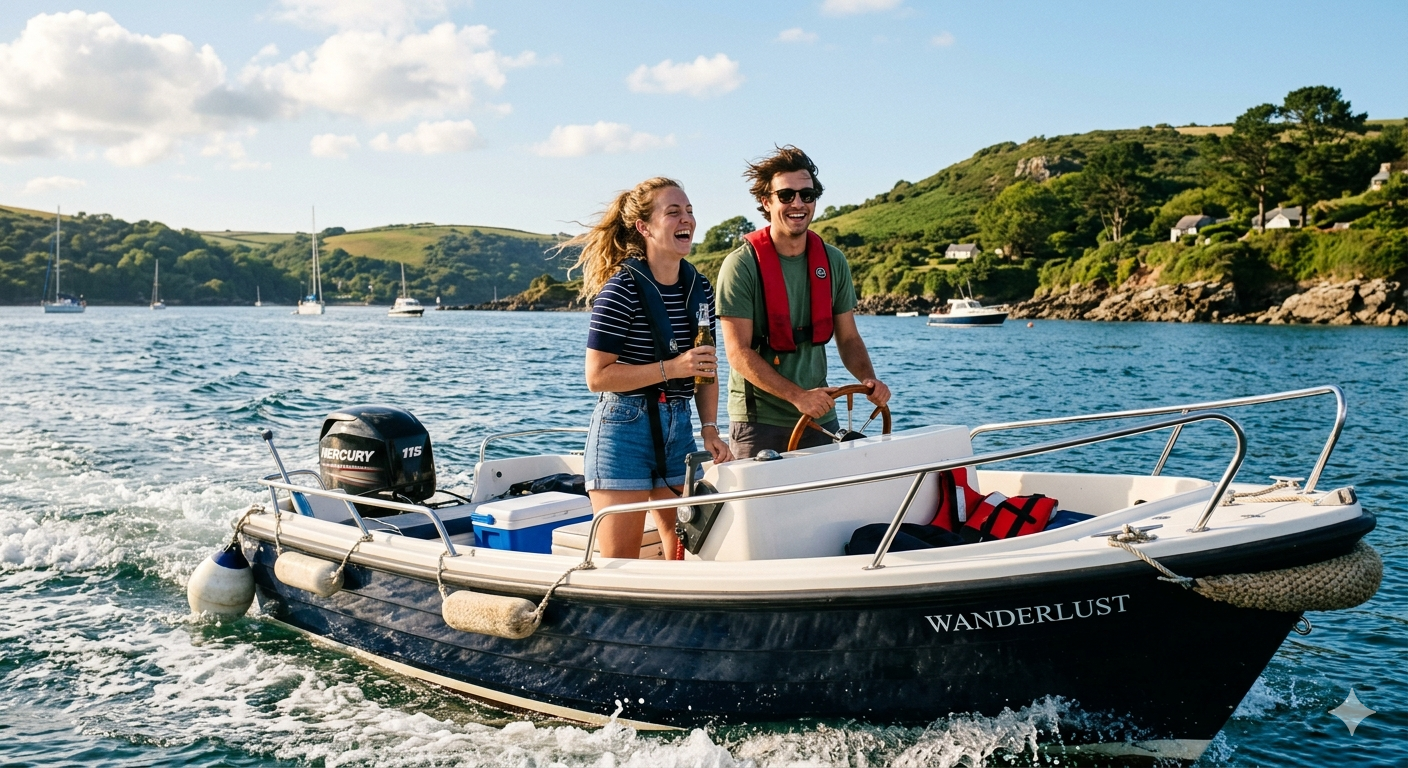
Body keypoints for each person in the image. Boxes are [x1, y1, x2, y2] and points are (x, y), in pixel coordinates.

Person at [566, 177, 733, 559]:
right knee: (616, 564)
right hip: (623, 429)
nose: (685, 219)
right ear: (644, 227)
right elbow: (597, 377)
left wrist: (709, 428)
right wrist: (673, 368)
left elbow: (706, 367)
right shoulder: (620, 290)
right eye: (673, 212)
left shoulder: (700, 288)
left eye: (689, 211)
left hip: (680, 428)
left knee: (686, 556)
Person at [716, 146, 891, 459]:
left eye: (807, 195)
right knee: (762, 509)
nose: (797, 203)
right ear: (766, 201)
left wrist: (868, 379)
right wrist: (798, 396)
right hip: (758, 422)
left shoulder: (833, 261)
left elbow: (848, 338)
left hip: (818, 417)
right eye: (786, 195)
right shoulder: (741, 265)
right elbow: (737, 352)